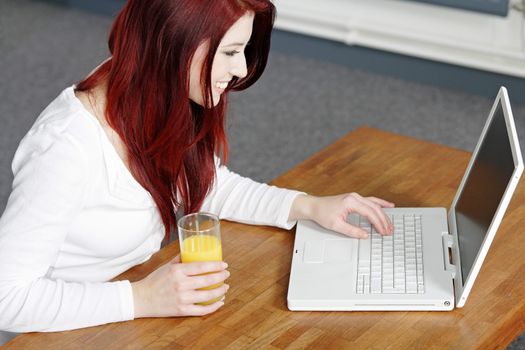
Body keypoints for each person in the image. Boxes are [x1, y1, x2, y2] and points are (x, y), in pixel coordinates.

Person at [0, 0, 394, 333]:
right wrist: (140, 298)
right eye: (229, 52)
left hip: (131, 304)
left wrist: (307, 206)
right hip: (66, 327)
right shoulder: (65, 149)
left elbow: (204, 184)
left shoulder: (154, 91)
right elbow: (8, 298)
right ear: (173, 46)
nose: (240, 69)